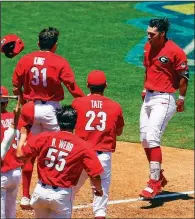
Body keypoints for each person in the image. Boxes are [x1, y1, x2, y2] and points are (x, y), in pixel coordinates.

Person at [12, 27, 85, 207]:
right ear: (55, 46)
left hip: (30, 109)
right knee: (56, 148)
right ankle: (52, 187)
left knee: (29, 152)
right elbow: (72, 87)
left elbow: (15, 87)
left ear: (38, 43)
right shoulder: (59, 61)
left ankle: (26, 196)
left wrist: (23, 101)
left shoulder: (25, 59)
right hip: (51, 111)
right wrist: (86, 100)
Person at [16, 105, 104, 219]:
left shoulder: (44, 137)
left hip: (40, 193)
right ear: (75, 123)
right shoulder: (83, 146)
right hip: (61, 196)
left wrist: (23, 137)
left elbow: (20, 156)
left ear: (57, 121)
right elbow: (95, 175)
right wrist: (99, 189)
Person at [139, 17, 189, 199]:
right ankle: (159, 175)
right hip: (149, 97)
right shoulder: (147, 47)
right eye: (147, 33)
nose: (148, 37)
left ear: (162, 33)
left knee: (152, 137)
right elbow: (148, 69)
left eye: (151, 34)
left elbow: (184, 76)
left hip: (165, 98)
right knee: (144, 138)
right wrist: (145, 88)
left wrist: (181, 99)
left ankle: (154, 183)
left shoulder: (175, 51)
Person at [72, 70, 125, 219]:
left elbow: (69, 124)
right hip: (102, 158)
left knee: (67, 192)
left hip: (80, 156)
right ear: (106, 86)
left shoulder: (78, 103)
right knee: (100, 201)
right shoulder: (115, 106)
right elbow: (119, 131)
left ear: (88, 86)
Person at [1, 86, 23, 218]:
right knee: (11, 212)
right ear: (7, 101)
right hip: (15, 172)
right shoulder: (16, 120)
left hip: (2, 172)